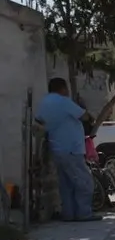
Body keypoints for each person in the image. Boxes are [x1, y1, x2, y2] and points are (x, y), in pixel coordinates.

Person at [34, 77, 101, 222]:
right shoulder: (63, 101)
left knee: (66, 184)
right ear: (63, 88)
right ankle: (84, 213)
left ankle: (69, 214)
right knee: (85, 182)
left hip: (57, 147)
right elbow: (84, 116)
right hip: (71, 149)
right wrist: (87, 112)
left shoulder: (44, 102)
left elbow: (39, 121)